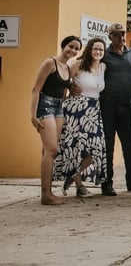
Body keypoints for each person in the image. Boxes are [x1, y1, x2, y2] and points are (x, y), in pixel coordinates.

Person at [31, 35, 81, 204]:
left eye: (76, 48)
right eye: (70, 46)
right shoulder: (50, 63)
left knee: (49, 151)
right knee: (51, 150)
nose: (73, 50)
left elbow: (64, 89)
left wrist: (72, 88)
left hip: (59, 107)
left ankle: (48, 191)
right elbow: (36, 89)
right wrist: (33, 116)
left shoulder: (67, 67)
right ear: (63, 45)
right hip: (45, 106)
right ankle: (46, 194)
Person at [55, 37, 107, 199]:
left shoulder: (103, 67)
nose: (98, 52)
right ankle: (79, 186)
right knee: (75, 148)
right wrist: (70, 87)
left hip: (94, 110)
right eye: (95, 48)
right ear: (89, 50)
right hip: (75, 109)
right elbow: (62, 81)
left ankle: (72, 177)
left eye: (101, 49)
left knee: (96, 149)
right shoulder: (78, 65)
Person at [100, 22, 131, 195]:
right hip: (108, 107)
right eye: (117, 34)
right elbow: (86, 67)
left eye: (123, 34)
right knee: (108, 146)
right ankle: (107, 183)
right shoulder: (104, 54)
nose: (121, 37)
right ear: (110, 37)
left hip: (128, 106)